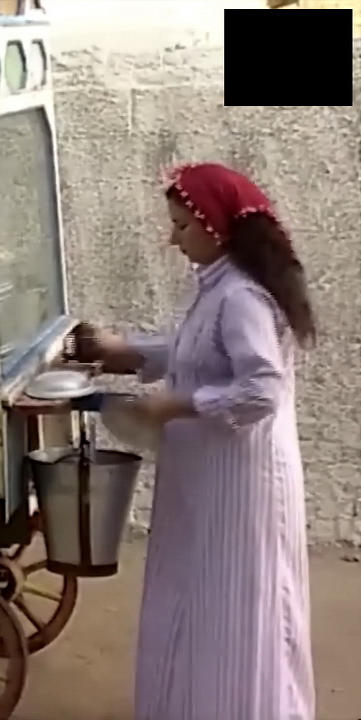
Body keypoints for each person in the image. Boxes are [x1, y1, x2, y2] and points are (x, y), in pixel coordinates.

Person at [74, 162, 316, 720]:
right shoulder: (219, 287)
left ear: (215, 225)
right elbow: (195, 350)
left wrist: (178, 404)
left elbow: (261, 389)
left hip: (241, 485)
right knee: (202, 597)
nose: (173, 238)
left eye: (182, 226)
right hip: (210, 478)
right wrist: (123, 351)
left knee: (236, 605)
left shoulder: (241, 297)